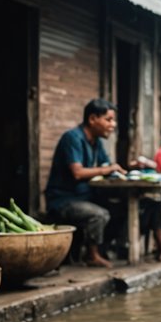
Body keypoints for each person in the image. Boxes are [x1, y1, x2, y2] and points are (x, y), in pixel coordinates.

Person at [45, 99, 125, 268]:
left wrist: (125, 168)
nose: (113, 124)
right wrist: (106, 170)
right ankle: (92, 256)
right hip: (63, 200)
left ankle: (104, 249)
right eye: (109, 119)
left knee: (121, 209)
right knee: (99, 214)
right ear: (92, 119)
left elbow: (107, 166)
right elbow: (78, 172)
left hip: (86, 196)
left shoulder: (97, 143)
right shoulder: (72, 138)